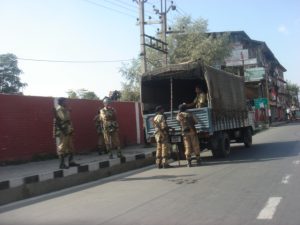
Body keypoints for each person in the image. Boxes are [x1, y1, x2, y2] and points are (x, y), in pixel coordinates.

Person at [54, 97, 80, 169]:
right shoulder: (59, 109)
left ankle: (71, 162)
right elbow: (64, 118)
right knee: (62, 146)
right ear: (61, 102)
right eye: (65, 101)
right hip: (63, 130)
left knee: (70, 146)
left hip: (68, 130)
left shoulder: (64, 109)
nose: (67, 103)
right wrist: (67, 110)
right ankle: (62, 164)